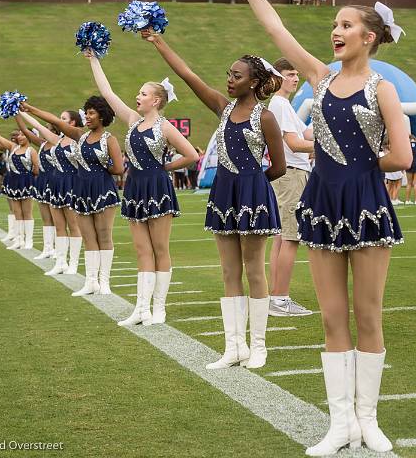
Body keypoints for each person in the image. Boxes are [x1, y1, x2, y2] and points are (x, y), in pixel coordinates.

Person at [232, 0, 411, 454]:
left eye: (346, 25)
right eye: (335, 25)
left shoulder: (383, 89)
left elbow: (402, 155)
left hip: (366, 201)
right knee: (332, 317)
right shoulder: (320, 78)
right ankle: (340, 425)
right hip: (322, 203)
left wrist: (355, 159)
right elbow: (274, 24)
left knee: (367, 314)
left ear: (369, 37)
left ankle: (369, 420)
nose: (336, 31)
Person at [142, 29, 286, 369]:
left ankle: (259, 346)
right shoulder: (223, 108)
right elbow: (188, 76)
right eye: (228, 74)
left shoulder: (264, 117)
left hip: (253, 197)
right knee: (228, 271)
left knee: (254, 269)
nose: (229, 80)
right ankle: (233, 346)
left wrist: (252, 188)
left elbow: (278, 167)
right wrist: (158, 41)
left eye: (236, 76)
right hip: (224, 193)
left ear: (253, 82)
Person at [87, 49, 198, 324]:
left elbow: (192, 156)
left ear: (157, 101)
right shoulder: (133, 121)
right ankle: (141, 309)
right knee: (141, 250)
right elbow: (108, 92)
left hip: (157, 187)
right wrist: (93, 60)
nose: (138, 96)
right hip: (135, 186)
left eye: (143, 94)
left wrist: (165, 168)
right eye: (139, 93)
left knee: (160, 248)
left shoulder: (165, 127)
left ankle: (158, 308)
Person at [22, 97, 123, 296]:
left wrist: (101, 166)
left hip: (103, 189)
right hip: (81, 189)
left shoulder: (109, 139)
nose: (87, 116)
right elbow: (57, 122)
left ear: (102, 116)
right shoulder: (80, 135)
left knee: (103, 235)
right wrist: (30, 109)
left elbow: (118, 168)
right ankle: (91, 281)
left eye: (92, 113)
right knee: (88, 236)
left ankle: (104, 282)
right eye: (86, 112)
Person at [268, 58, 314, 317]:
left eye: (297, 74)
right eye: (290, 74)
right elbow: (295, 144)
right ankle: (280, 300)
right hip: (292, 176)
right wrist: (324, 148)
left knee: (280, 238)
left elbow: (304, 134)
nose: (296, 79)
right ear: (278, 77)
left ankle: (275, 296)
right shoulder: (280, 104)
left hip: (288, 175)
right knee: (291, 239)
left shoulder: (283, 105)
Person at [19, 106, 84, 276]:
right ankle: (61, 262)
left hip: (72, 184)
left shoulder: (79, 139)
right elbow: (39, 126)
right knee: (60, 226)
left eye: (63, 118)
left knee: (73, 225)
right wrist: (20, 111)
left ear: (73, 122)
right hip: (56, 183)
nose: (58, 120)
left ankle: (73, 264)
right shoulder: (57, 139)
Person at [0, 117, 39, 250]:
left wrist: (29, 178)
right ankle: (19, 240)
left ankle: (29, 240)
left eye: (23, 134)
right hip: (13, 181)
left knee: (27, 212)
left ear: (29, 137)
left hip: (25, 181)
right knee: (17, 212)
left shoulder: (31, 151)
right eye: (19, 134)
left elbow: (37, 169)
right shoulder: (13, 147)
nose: (19, 137)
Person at [15, 112, 57, 261]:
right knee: (46, 218)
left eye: (48, 128)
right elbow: (26, 131)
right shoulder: (42, 144)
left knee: (57, 219)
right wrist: (16, 113)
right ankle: (47, 248)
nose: (44, 130)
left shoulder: (58, 143)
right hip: (42, 182)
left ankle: (58, 250)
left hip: (56, 183)